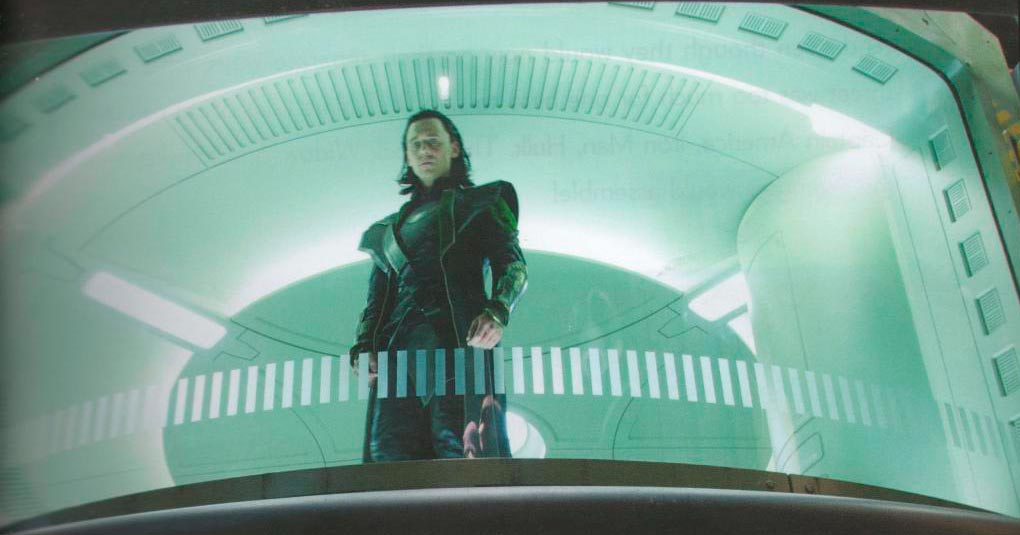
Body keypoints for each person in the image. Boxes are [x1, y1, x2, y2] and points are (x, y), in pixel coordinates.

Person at [348, 109, 528, 461]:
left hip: (460, 347)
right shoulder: (385, 232)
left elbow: (513, 265)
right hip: (398, 360)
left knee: (463, 452)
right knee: (388, 459)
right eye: (415, 144)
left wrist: (498, 310)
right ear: (407, 155)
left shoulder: (483, 202)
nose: (424, 149)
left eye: (432, 140)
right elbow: (376, 301)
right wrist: (364, 345)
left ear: (454, 148)